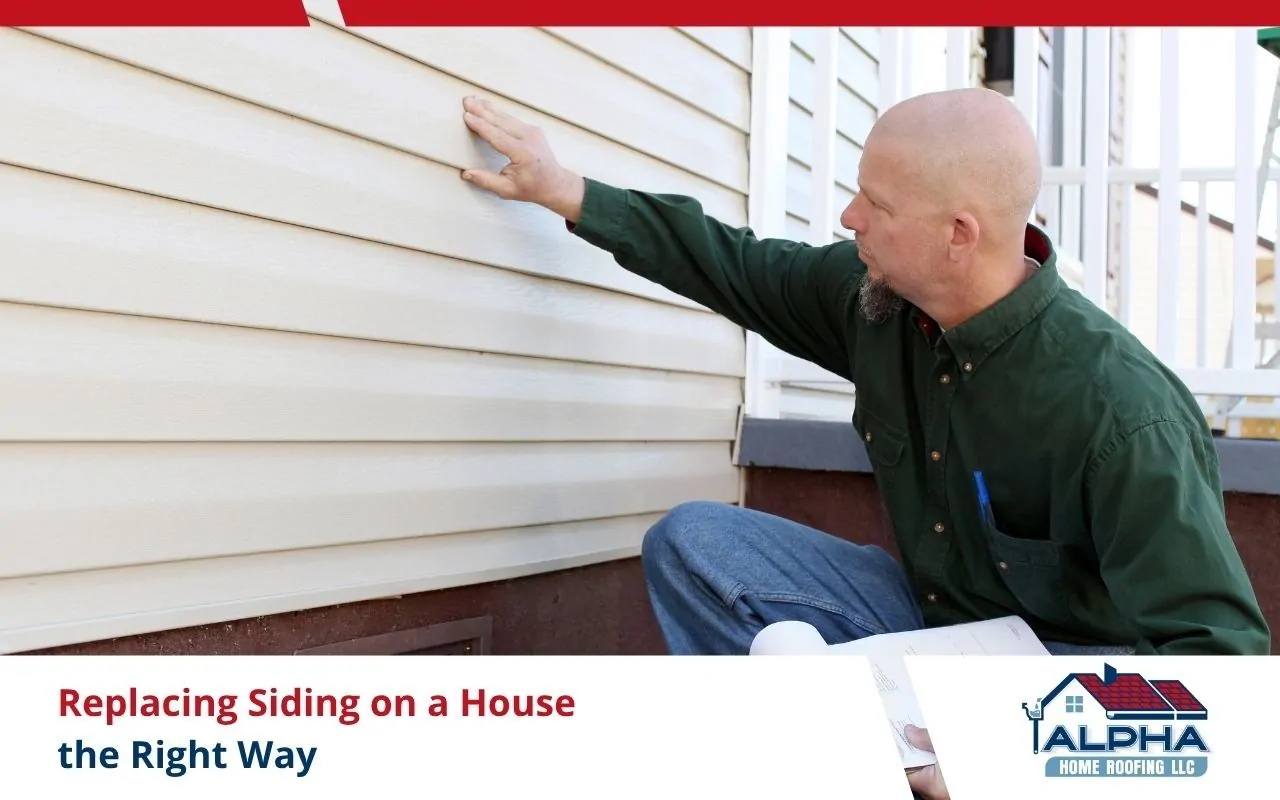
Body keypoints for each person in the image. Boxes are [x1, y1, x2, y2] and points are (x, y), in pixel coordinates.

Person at [459, 88, 1269, 798]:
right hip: (926, 627)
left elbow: (1220, 668)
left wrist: (1015, 759)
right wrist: (565, 191)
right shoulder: (877, 305)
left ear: (958, 233)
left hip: (1058, 683)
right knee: (695, 543)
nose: (850, 218)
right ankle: (841, 767)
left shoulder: (1122, 412)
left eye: (874, 203)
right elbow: (735, 265)